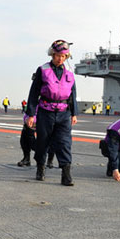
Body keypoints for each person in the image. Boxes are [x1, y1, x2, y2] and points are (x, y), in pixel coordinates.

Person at [25, 39, 78, 186]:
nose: (60, 59)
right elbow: (34, 92)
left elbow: (73, 93)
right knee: (43, 142)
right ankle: (40, 168)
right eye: (57, 55)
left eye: (63, 56)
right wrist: (31, 114)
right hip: (45, 112)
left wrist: (74, 113)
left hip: (63, 113)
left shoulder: (69, 73)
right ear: (52, 55)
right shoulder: (43, 70)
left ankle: (66, 174)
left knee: (64, 143)